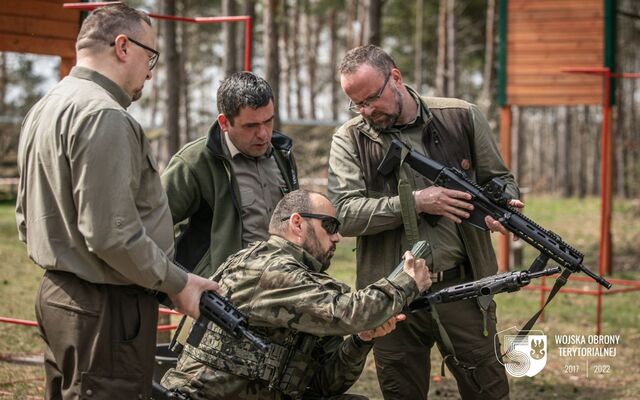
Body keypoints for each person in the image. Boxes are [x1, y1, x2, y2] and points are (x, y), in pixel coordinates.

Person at [15, 4, 218, 399]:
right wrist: (178, 282)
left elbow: (26, 219)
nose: (151, 71)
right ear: (123, 46)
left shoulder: (47, 106)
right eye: (150, 56)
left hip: (60, 297)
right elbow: (112, 236)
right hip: (105, 311)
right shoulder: (104, 115)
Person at [328, 45, 524, 400]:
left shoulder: (461, 117)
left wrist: (503, 202)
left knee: (488, 390)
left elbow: (501, 178)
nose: (367, 111)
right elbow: (344, 213)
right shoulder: (350, 138)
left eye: (372, 99)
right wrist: (416, 202)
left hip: (464, 287)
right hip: (390, 295)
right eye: (357, 104)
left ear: (396, 78)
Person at [161, 189, 432, 399]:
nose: (337, 238)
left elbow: (325, 384)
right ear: (298, 223)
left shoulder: (303, 279)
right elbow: (348, 312)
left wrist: (361, 339)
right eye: (330, 226)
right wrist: (405, 283)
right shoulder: (269, 269)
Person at [162, 71, 298, 279]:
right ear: (224, 122)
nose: (263, 134)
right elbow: (152, 221)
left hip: (286, 287)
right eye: (251, 126)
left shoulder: (283, 153)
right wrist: (179, 281)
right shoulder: (194, 162)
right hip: (224, 299)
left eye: (269, 121)